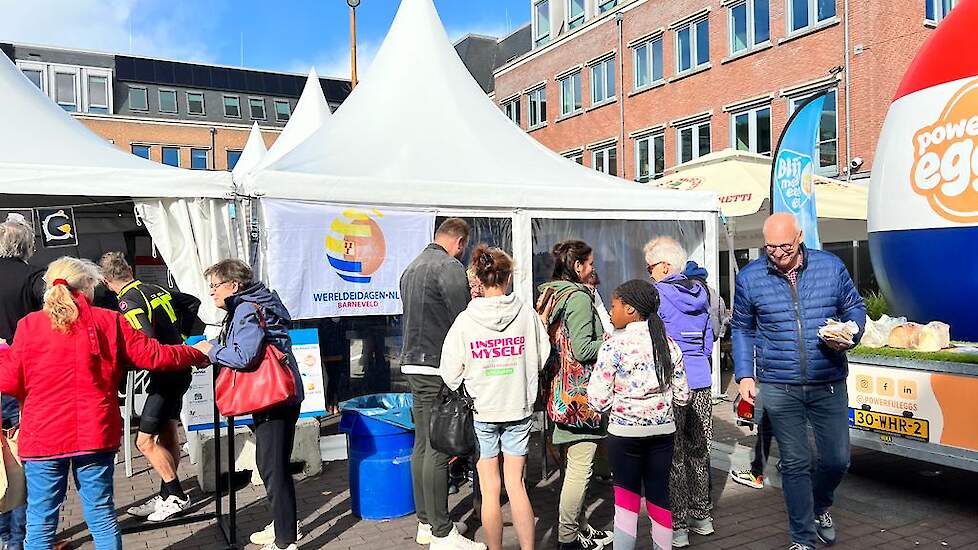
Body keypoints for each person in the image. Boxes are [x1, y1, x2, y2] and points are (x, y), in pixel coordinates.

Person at [0, 257, 207, 550]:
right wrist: (196, 353)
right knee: (101, 514)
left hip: (43, 436)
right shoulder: (107, 320)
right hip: (94, 432)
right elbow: (155, 355)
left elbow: (8, 381)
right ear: (87, 286)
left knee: (41, 522)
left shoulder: (29, 326)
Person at [732, 213, 866, 550]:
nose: (777, 254)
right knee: (795, 462)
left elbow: (854, 307)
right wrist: (745, 374)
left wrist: (851, 333)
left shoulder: (830, 267)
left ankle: (820, 506)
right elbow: (742, 328)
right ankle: (802, 539)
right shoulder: (750, 278)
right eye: (770, 247)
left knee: (837, 459)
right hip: (779, 383)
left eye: (784, 247)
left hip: (828, 379)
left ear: (800, 237)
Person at [441, 246, 550, 550]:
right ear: (508, 277)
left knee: (490, 490)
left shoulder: (466, 320)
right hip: (518, 407)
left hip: (484, 410)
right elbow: (543, 355)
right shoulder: (526, 314)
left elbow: (449, 371)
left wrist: (471, 380)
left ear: (478, 277)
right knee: (516, 486)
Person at [191, 260, 305, 550]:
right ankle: (282, 525)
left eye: (215, 286)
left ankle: (285, 541)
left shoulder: (245, 309)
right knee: (272, 464)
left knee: (272, 467)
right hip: (280, 394)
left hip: (273, 398)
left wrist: (211, 350)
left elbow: (244, 356)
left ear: (234, 285)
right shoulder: (255, 302)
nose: (212, 292)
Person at [399, 218, 484, 550]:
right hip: (437, 366)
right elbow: (465, 319)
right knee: (436, 448)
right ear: (459, 242)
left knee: (421, 445)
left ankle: (426, 522)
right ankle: (441, 531)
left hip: (411, 362)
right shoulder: (448, 267)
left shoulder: (411, 267)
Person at [588, 280, 690, 550]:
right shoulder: (668, 345)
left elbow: (597, 399)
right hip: (662, 433)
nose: (610, 313)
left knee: (626, 503)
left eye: (613, 306)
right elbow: (682, 396)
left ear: (630, 309)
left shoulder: (613, 346)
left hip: (624, 434)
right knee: (659, 498)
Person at [97, 252, 198, 522]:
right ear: (128, 269)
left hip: (166, 371)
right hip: (178, 367)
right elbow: (192, 302)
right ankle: (167, 495)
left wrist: (125, 361)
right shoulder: (154, 288)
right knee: (167, 432)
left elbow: (145, 340)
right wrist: (182, 337)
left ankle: (176, 495)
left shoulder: (127, 301)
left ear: (106, 281)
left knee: (143, 441)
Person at [538, 240, 612, 550]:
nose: (594, 269)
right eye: (590, 264)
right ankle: (567, 537)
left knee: (572, 464)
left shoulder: (550, 294)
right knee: (581, 465)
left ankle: (579, 527)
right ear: (578, 266)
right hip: (580, 396)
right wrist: (611, 343)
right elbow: (582, 349)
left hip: (558, 390)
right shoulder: (579, 297)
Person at [644, 237, 715, 548]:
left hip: (672, 382)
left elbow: (651, 340)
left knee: (673, 455)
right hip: (701, 378)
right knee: (699, 448)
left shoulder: (656, 296)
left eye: (650, 268)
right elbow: (709, 337)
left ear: (664, 266)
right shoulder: (702, 292)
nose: (649, 274)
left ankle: (679, 524)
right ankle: (703, 516)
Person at [0, 214, 44, 550]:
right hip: (19, 376)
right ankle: (18, 538)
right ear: (27, 246)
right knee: (18, 457)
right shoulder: (32, 278)